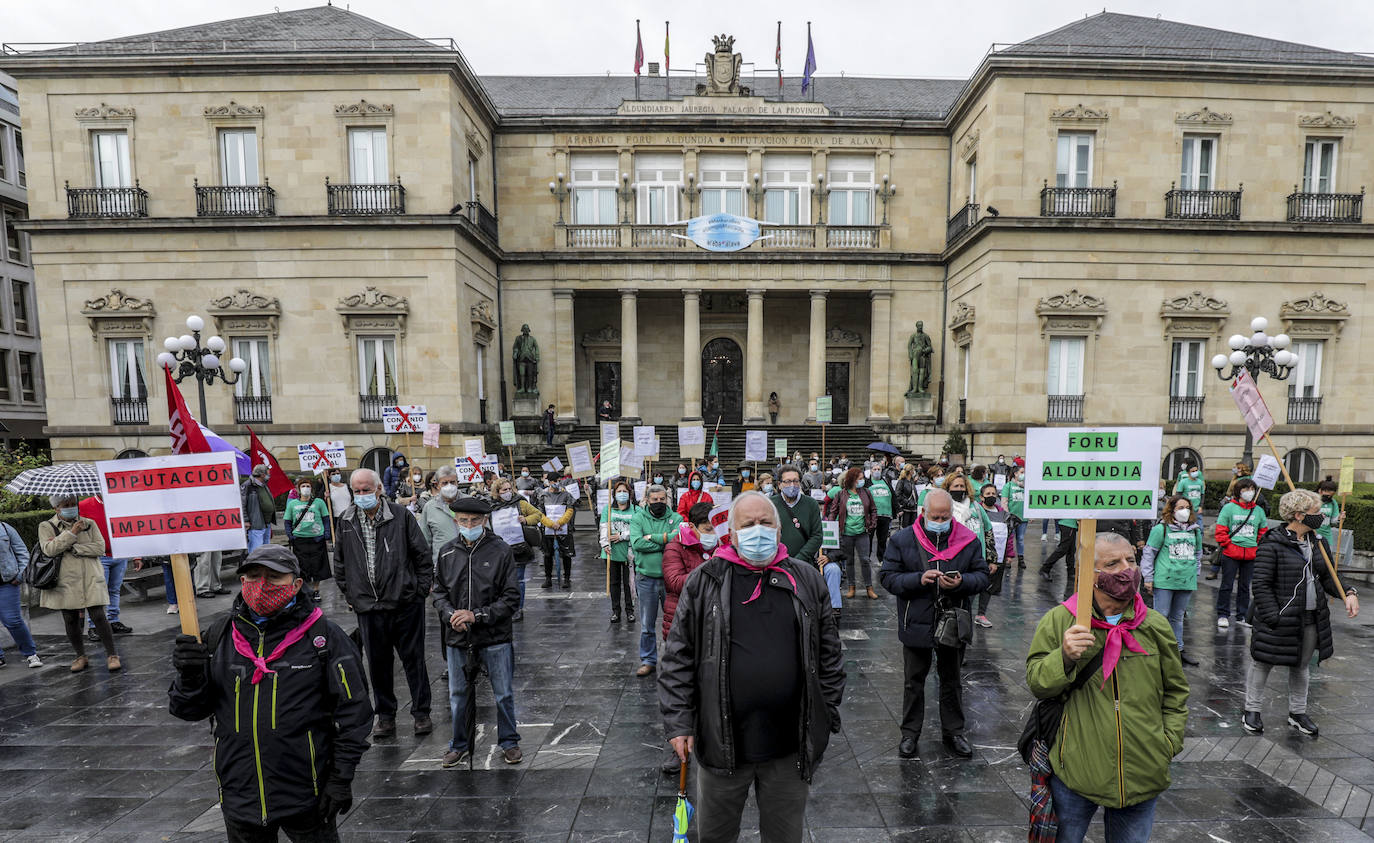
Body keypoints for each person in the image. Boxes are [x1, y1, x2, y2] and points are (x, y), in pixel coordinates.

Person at [659, 491, 845, 842]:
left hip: (790, 748)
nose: (757, 531)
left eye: (765, 523)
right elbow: (677, 656)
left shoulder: (806, 579)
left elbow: (830, 654)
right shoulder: (705, 580)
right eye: (748, 524)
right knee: (715, 835)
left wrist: (827, 713)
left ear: (778, 530)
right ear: (732, 531)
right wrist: (679, 721)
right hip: (720, 743)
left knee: (784, 836)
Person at [169, 545, 373, 841]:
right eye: (254, 575)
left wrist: (341, 777)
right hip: (240, 796)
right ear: (242, 581)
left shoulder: (324, 638)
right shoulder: (220, 636)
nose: (262, 585)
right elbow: (188, 710)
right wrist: (189, 676)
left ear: (297, 583)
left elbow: (355, 713)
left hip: (307, 794)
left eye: (274, 577)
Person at [1025, 533, 1189, 843]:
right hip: (1076, 772)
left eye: (1131, 560)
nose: (1127, 569)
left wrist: (1167, 743)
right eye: (1113, 563)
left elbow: (1176, 692)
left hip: (1143, 770)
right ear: (1090, 573)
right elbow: (1037, 683)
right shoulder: (1061, 621)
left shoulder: (1154, 625)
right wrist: (1064, 657)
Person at [879, 489, 989, 759]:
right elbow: (888, 577)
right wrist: (919, 579)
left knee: (951, 680)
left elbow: (982, 576)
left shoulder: (967, 540)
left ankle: (954, 731)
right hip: (915, 620)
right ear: (923, 513)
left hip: (952, 621)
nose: (940, 520)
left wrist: (962, 582)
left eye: (945, 516)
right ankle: (909, 734)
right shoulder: (902, 539)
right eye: (935, 516)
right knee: (913, 681)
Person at [1244, 488, 1359, 737]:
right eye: (1315, 512)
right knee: (1263, 662)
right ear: (1298, 515)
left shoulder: (1318, 542)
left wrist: (1348, 592)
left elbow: (1329, 577)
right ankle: (1251, 710)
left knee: (1302, 665)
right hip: (1278, 617)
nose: (1320, 516)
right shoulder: (1272, 543)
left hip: (1309, 617)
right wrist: (1273, 616)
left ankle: (1298, 712)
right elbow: (1261, 584)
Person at [333, 468, 433, 739]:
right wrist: (351, 595)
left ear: (379, 489)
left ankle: (421, 712)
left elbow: (422, 556)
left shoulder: (400, 516)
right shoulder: (346, 521)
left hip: (404, 604)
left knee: (414, 660)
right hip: (369, 607)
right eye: (357, 490)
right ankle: (385, 716)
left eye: (367, 489)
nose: (362, 495)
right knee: (378, 664)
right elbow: (340, 564)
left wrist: (419, 591)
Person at [433, 497, 523, 766]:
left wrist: (477, 615)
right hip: (457, 635)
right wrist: (451, 615)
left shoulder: (501, 550)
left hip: (494, 635)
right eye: (463, 520)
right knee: (458, 694)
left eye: (474, 521)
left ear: (484, 521)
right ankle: (459, 743)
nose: (468, 525)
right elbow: (438, 592)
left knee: (503, 692)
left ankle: (509, 741)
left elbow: (510, 597)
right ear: (455, 521)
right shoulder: (447, 552)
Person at [40, 495, 118, 673]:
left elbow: (99, 547)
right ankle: (80, 656)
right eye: (65, 505)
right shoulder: (46, 526)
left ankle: (112, 655)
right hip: (65, 580)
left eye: (73, 504)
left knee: (98, 615)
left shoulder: (89, 523)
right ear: (56, 508)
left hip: (90, 576)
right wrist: (71, 534)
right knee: (70, 618)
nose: (71, 507)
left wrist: (74, 548)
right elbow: (49, 550)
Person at [1141, 494, 1203, 667]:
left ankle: (1178, 650)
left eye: (1187, 508)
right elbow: (1149, 553)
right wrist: (1148, 577)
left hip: (1185, 580)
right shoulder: (1161, 529)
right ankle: (1157, 650)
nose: (1185, 511)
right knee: (1161, 617)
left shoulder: (1195, 530)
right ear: (1171, 510)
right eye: (1180, 508)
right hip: (1165, 581)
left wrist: (1195, 573)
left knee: (1177, 618)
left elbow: (1198, 553)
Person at [629, 485, 683, 677]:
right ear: (647, 500)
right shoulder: (638, 518)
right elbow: (637, 543)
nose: (659, 503)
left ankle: (676, 660)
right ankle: (648, 660)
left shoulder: (676, 518)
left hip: (672, 580)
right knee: (646, 624)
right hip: (646, 578)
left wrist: (654, 537)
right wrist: (666, 541)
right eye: (655, 500)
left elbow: (680, 540)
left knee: (676, 624)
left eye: (662, 499)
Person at [78, 493, 140, 635]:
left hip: (120, 554)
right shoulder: (83, 506)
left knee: (114, 590)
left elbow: (131, 526)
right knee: (97, 592)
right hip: (98, 556)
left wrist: (136, 553)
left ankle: (113, 620)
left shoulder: (120, 503)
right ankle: (94, 625)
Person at [488, 477, 549, 622]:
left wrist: (526, 520)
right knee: (501, 580)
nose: (508, 492)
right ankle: (504, 607)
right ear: (497, 492)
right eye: (504, 490)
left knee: (518, 579)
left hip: (519, 547)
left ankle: (517, 609)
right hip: (499, 549)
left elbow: (538, 515)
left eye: (510, 489)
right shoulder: (491, 506)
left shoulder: (520, 503)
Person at [1214, 477, 1267, 630]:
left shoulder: (1258, 510)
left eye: (1251, 489)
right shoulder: (1229, 508)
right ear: (1238, 491)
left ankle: (1241, 615)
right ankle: (1223, 614)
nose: (1249, 492)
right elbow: (1221, 529)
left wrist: (1257, 546)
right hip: (1231, 553)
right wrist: (1227, 545)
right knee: (1226, 585)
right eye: (1245, 489)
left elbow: (1262, 531)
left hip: (1250, 554)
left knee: (1245, 586)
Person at [825, 467, 878, 600]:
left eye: (862, 479)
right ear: (852, 480)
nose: (862, 481)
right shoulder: (841, 494)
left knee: (865, 560)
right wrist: (831, 525)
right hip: (846, 533)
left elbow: (873, 509)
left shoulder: (866, 492)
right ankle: (851, 587)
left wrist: (872, 524)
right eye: (860, 479)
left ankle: (869, 587)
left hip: (862, 532)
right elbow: (833, 511)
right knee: (849, 561)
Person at [0, 519, 41, 668]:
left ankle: (31, 654)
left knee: (13, 620)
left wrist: (19, 576)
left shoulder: (5, 528)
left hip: (7, 583)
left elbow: (23, 553)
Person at [284, 479, 333, 600]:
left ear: (312, 489)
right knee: (302, 567)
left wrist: (326, 533)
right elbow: (287, 521)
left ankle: (316, 590)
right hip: (300, 540)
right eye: (303, 486)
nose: (306, 488)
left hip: (317, 539)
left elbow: (326, 518)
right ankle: (304, 590)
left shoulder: (319, 502)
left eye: (308, 486)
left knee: (318, 566)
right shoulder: (292, 504)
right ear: (298, 489)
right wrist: (290, 535)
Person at [974, 483, 1014, 628]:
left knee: (988, 585)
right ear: (981, 497)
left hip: (998, 556)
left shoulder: (1003, 514)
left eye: (993, 494)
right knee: (973, 585)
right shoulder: (976, 511)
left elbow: (1009, 535)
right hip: (978, 555)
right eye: (988, 494)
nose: (991, 496)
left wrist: (1010, 554)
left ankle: (981, 614)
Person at [602, 478, 638, 623]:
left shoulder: (636, 510)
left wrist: (622, 536)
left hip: (628, 553)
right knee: (614, 583)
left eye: (624, 491)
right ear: (614, 494)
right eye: (619, 491)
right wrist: (605, 544)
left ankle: (630, 610)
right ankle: (616, 610)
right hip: (611, 552)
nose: (622, 494)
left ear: (629, 494)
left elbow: (637, 530)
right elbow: (603, 527)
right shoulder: (607, 509)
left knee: (629, 582)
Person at [539, 473, 577, 589]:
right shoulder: (543, 495)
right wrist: (550, 524)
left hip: (563, 528)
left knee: (566, 554)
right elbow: (540, 513)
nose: (557, 483)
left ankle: (567, 578)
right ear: (549, 482)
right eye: (555, 481)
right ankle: (548, 578)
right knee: (547, 554)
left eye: (559, 480)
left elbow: (570, 510)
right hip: (548, 529)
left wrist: (559, 523)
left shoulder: (566, 495)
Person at [419, 466, 462, 564]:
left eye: (452, 482)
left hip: (470, 563)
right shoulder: (429, 507)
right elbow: (425, 541)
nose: (449, 486)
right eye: (445, 483)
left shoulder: (470, 502)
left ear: (457, 483)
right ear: (437, 485)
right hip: (443, 564)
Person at [1040, 516, 1080, 597]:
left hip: (1069, 524)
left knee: (1071, 550)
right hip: (1068, 523)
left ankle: (1071, 571)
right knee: (1063, 549)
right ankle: (1045, 568)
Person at [241, 464, 277, 553]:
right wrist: (245, 520)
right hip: (255, 524)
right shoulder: (248, 485)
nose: (269, 475)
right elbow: (242, 504)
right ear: (262, 475)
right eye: (268, 473)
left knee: (265, 550)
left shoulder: (264, 485)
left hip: (266, 523)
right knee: (256, 550)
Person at [867, 466, 896, 572]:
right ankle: (867, 557)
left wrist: (896, 509)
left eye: (879, 469)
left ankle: (881, 558)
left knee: (882, 539)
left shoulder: (886, 482)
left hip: (885, 514)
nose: (877, 471)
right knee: (869, 537)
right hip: (872, 515)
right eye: (874, 469)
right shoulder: (867, 483)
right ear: (870, 471)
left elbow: (893, 496)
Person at [1001, 465, 1027, 567]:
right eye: (1021, 472)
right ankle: (1008, 558)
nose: (1023, 474)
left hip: (1023, 518)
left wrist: (1031, 515)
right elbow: (1004, 501)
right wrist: (1008, 514)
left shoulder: (1027, 486)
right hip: (1012, 518)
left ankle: (1021, 558)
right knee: (1009, 538)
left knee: (1020, 539)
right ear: (1015, 474)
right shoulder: (1008, 486)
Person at [1316, 480, 1343, 547]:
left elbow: (1333, 521)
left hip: (1326, 536)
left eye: (1331, 496)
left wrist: (1339, 518)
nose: (1329, 498)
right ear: (1320, 491)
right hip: (1313, 535)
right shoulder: (1312, 501)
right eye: (1327, 495)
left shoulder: (1333, 503)